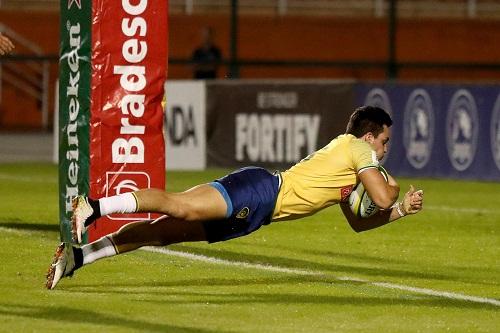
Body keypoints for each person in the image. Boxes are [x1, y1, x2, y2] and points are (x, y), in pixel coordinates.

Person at [46, 106, 424, 289]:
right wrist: (394, 192)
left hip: (258, 213)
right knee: (181, 205)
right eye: (385, 141)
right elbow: (382, 194)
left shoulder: (348, 163)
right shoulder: (360, 152)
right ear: (370, 136)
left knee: (162, 232)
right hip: (261, 191)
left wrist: (402, 211)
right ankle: (95, 206)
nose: (386, 149)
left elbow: (359, 223)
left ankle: (78, 257)